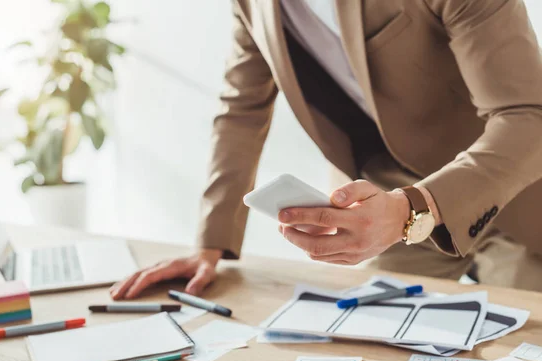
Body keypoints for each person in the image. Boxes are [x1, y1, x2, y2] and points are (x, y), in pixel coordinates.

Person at [111, 0, 542, 300]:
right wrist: (211, 245)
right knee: (379, 348)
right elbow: (242, 108)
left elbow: (528, 116)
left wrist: (412, 208)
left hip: (520, 195)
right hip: (394, 195)